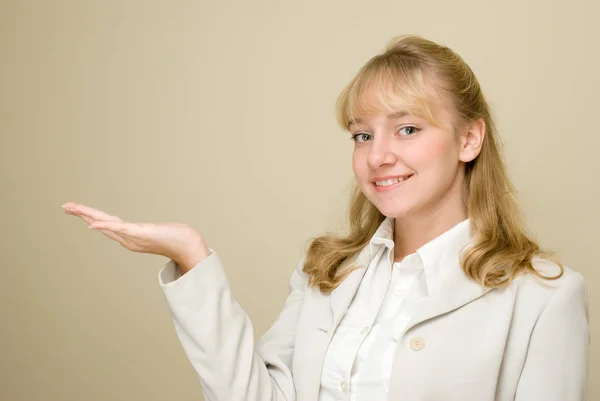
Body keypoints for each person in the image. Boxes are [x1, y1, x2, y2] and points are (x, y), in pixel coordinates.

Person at [62, 35, 589, 401]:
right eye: (363, 134)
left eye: (407, 129)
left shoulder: (543, 297)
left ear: (468, 139)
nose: (377, 155)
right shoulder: (328, 274)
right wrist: (191, 257)